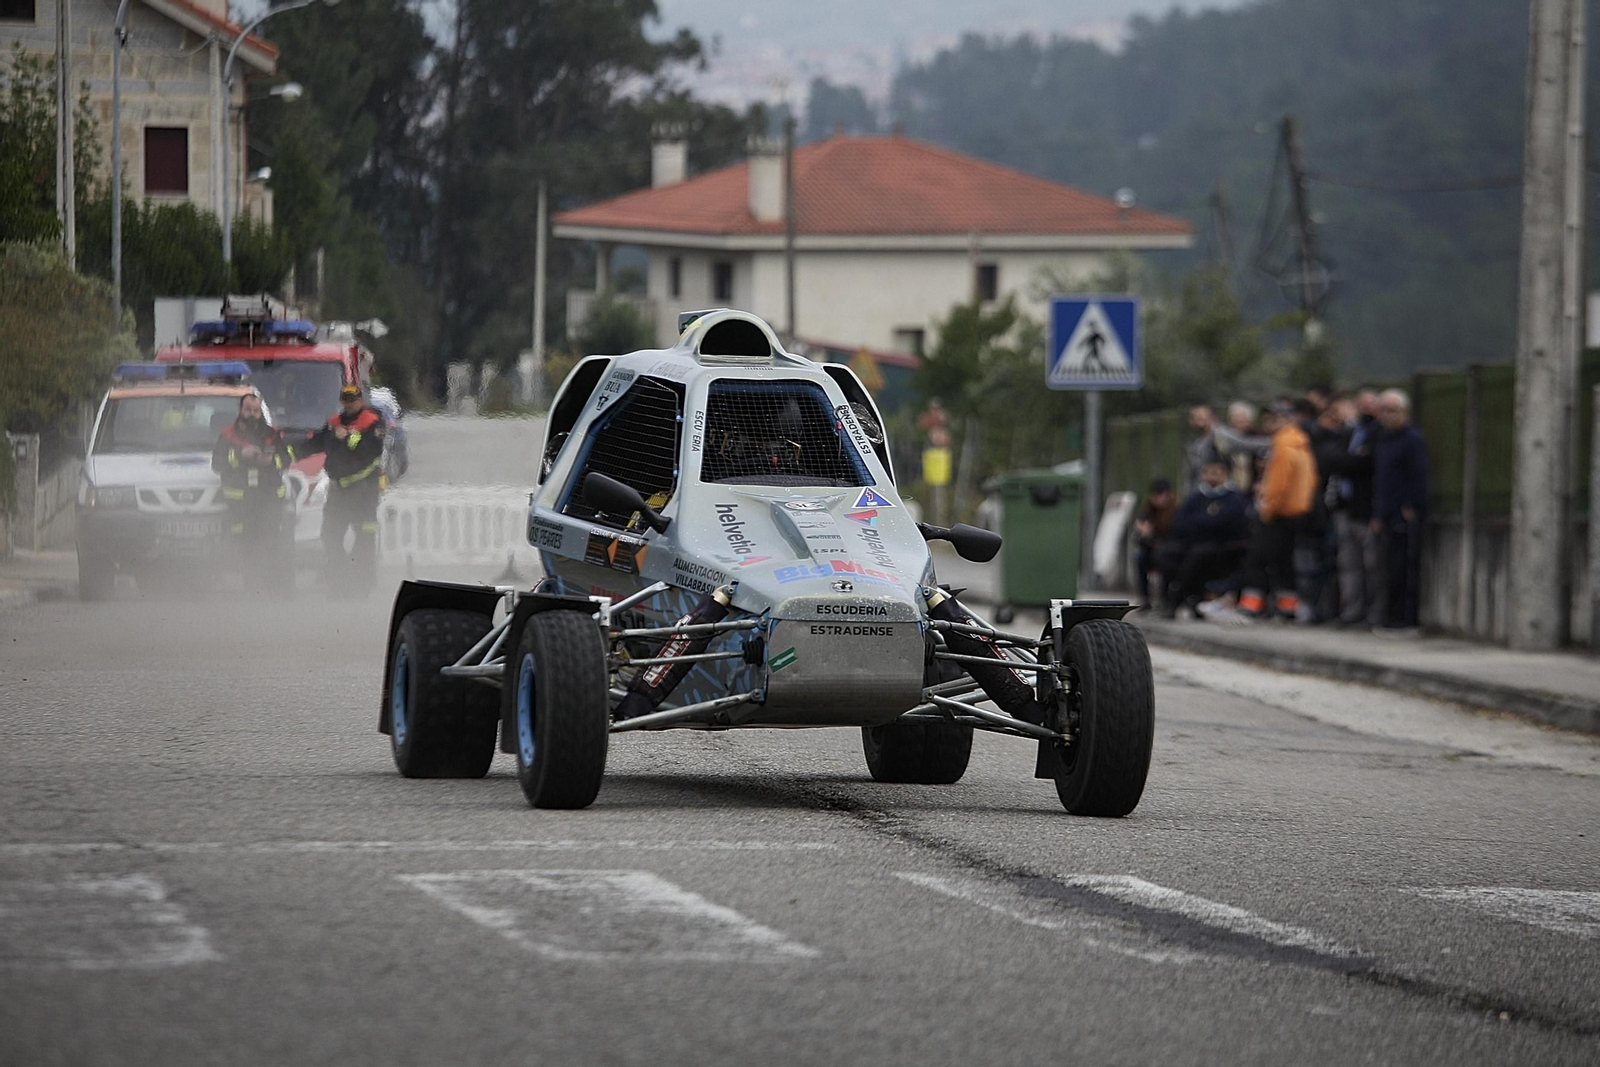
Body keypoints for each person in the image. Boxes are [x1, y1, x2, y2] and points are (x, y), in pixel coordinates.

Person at [300, 384, 386, 593]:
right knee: (330, 535)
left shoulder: (373, 424)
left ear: (361, 400)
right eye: (345, 399)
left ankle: (363, 582)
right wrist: (287, 450)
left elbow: (368, 451)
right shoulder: (334, 424)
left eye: (353, 399)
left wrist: (345, 438)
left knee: (364, 538)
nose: (349, 404)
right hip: (339, 491)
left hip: (364, 492)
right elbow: (315, 444)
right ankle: (339, 579)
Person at [1237, 401, 1318, 622]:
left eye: (1274, 419)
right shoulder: (1301, 443)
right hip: (1298, 511)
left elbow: (1277, 484)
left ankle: (1252, 607)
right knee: (1284, 563)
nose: (1269, 424)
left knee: (1259, 558)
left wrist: (1267, 509)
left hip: (1279, 513)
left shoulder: (1282, 444)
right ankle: (1287, 608)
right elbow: (1312, 480)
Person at [212, 392, 293, 591]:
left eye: (256, 411)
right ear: (240, 410)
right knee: (245, 542)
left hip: (269, 498)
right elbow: (217, 463)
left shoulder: (272, 435)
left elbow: (286, 459)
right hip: (241, 502)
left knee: (272, 540)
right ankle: (251, 587)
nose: (252, 414)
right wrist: (240, 455)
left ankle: (275, 588)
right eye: (248, 410)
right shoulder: (228, 435)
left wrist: (271, 461)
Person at [1159, 459, 1250, 618]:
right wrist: (1206, 523)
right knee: (1165, 554)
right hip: (1191, 544)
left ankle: (1175, 600)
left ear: (1225, 474)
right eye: (1207, 473)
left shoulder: (1234, 499)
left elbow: (1225, 524)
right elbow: (1180, 523)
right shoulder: (1195, 497)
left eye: (1215, 473)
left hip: (1222, 549)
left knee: (1198, 556)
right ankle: (1182, 598)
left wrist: (1201, 524)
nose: (1210, 477)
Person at [1318, 390, 1379, 626]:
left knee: (1371, 565)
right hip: (1344, 507)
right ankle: (1351, 611)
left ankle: (1373, 613)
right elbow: (1333, 460)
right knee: (1348, 564)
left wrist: (1350, 461)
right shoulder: (1348, 433)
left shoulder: (1376, 433)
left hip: (1366, 509)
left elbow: (1364, 463)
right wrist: (1351, 460)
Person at [1371, 388, 1429, 636]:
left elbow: (1418, 476)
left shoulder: (1412, 439)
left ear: (1404, 412)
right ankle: (1391, 617)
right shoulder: (1383, 440)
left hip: (1404, 514)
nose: (1387, 415)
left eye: (1392, 410)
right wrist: (1378, 514)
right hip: (1386, 513)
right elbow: (1382, 481)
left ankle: (1407, 620)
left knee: (1405, 568)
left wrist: (1411, 506)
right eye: (1383, 410)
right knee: (1389, 569)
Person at [1133, 477, 1178, 605]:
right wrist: (1142, 532)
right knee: (1140, 558)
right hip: (1153, 550)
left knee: (1163, 559)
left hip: (1170, 551)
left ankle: (1165, 598)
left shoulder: (1176, 511)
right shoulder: (1149, 510)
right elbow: (1141, 530)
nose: (1160, 498)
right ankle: (1145, 598)